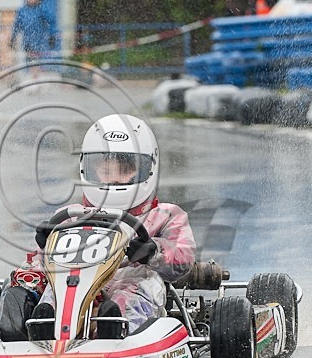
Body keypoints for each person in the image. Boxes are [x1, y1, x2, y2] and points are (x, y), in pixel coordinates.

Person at [30, 114, 196, 338]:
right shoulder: (70, 216)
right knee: (53, 291)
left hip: (133, 283)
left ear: (147, 170)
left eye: (125, 171)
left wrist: (153, 251)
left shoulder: (165, 215)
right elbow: (42, 265)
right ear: (87, 168)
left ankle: (115, 329)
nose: (115, 179)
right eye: (106, 171)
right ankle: (43, 326)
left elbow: (183, 258)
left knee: (131, 295)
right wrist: (45, 247)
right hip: (74, 284)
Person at [9, 0, 56, 79]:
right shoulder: (22, 11)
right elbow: (16, 25)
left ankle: (36, 78)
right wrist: (13, 37)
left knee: (36, 61)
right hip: (27, 41)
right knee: (30, 60)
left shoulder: (42, 9)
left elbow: (51, 22)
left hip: (39, 41)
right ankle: (33, 78)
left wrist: (52, 35)